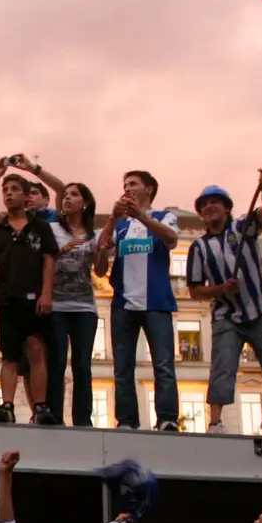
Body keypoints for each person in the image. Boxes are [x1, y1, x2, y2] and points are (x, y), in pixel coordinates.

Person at [185, 171, 262, 436]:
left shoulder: (242, 227)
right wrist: (220, 289)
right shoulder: (199, 248)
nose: (209, 207)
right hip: (226, 316)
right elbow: (194, 291)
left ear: (227, 208)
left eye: (215, 202)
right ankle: (216, 423)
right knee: (222, 368)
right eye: (204, 205)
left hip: (261, 311)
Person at [92, 170, 180, 430]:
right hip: (123, 304)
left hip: (156, 302)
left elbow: (172, 239)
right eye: (125, 185)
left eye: (133, 184)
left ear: (149, 189)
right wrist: (111, 220)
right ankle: (127, 420)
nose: (127, 188)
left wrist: (139, 215)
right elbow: (99, 267)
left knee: (163, 363)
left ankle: (167, 419)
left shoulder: (165, 216)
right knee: (122, 366)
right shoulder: (121, 226)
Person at [0, 172, 59, 425]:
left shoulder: (41, 227)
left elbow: (49, 261)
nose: (9, 194)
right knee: (10, 354)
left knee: (36, 349)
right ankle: (7, 406)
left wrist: (47, 293)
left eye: (15, 189)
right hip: (7, 298)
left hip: (34, 298)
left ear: (27, 196)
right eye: (6, 190)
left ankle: (40, 407)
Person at [44, 182, 102, 427]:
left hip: (84, 307)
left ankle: (82, 420)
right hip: (56, 305)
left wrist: (101, 251)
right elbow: (42, 262)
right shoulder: (51, 229)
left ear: (85, 202)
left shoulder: (95, 234)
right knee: (56, 363)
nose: (67, 198)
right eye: (64, 195)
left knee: (82, 366)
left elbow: (100, 270)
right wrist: (60, 251)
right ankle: (54, 417)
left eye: (73, 195)